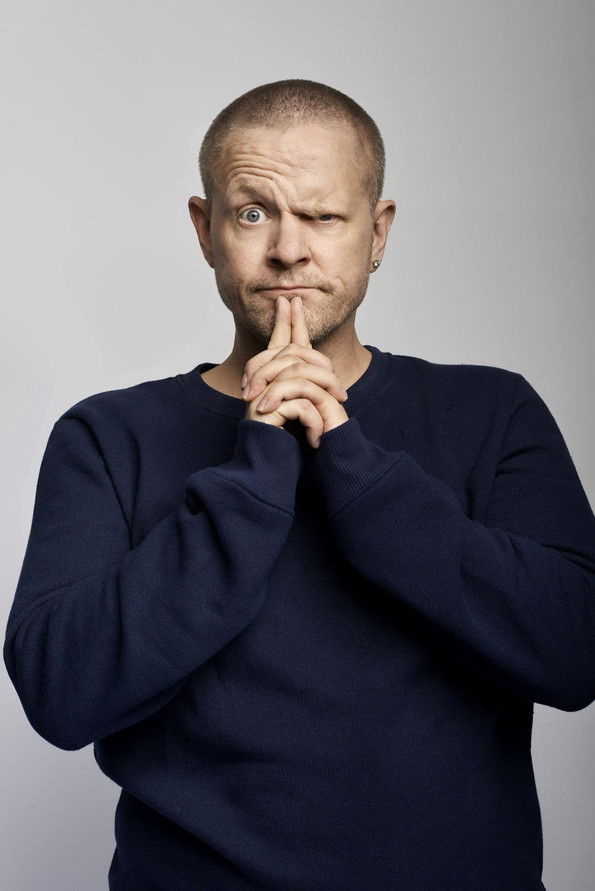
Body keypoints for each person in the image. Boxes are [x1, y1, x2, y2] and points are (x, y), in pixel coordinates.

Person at [4, 78, 595, 891]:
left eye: (322, 216)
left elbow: (574, 654)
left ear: (376, 232)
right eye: (253, 214)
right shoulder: (108, 435)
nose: (288, 249)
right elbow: (60, 693)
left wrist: (354, 465)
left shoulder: (491, 411)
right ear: (205, 230)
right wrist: (254, 470)